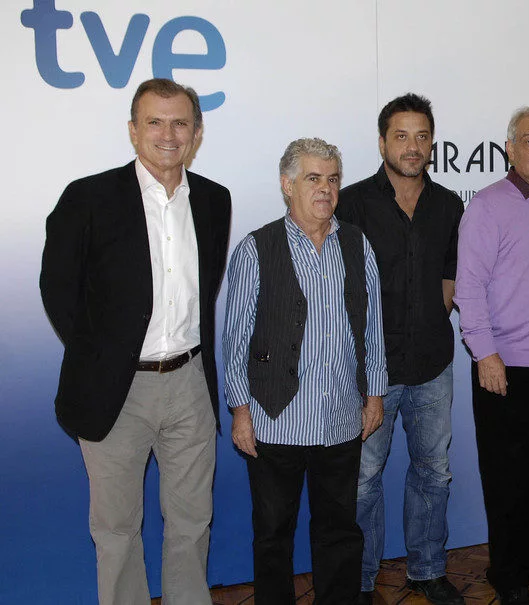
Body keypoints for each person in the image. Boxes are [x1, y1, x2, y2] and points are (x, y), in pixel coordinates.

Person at [39, 78, 231, 605]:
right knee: (117, 529)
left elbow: (206, 288)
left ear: (196, 132)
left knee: (192, 521)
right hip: (116, 390)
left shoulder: (214, 200)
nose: (168, 135)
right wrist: (102, 357)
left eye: (180, 123)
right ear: (133, 130)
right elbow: (58, 290)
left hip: (190, 384)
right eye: (155, 122)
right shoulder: (87, 198)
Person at [222, 138, 388, 605]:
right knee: (273, 534)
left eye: (332, 179)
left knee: (339, 532)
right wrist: (240, 412)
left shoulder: (356, 244)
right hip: (276, 421)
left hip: (340, 420)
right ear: (287, 184)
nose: (325, 189)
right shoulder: (256, 249)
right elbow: (235, 340)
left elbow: (372, 327)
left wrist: (375, 395)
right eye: (313, 178)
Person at [336, 93, 465, 605]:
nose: (413, 147)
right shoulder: (351, 204)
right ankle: (361, 580)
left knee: (433, 473)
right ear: (383, 141)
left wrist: (431, 317)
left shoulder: (449, 204)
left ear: (432, 143)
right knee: (363, 479)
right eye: (402, 136)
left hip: (433, 365)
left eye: (422, 136)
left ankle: (427, 570)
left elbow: (451, 275)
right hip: (371, 372)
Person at [455, 106, 529, 605]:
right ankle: (506, 573)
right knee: (506, 478)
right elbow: (468, 288)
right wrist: (485, 354)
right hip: (504, 366)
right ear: (509, 148)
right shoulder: (487, 206)